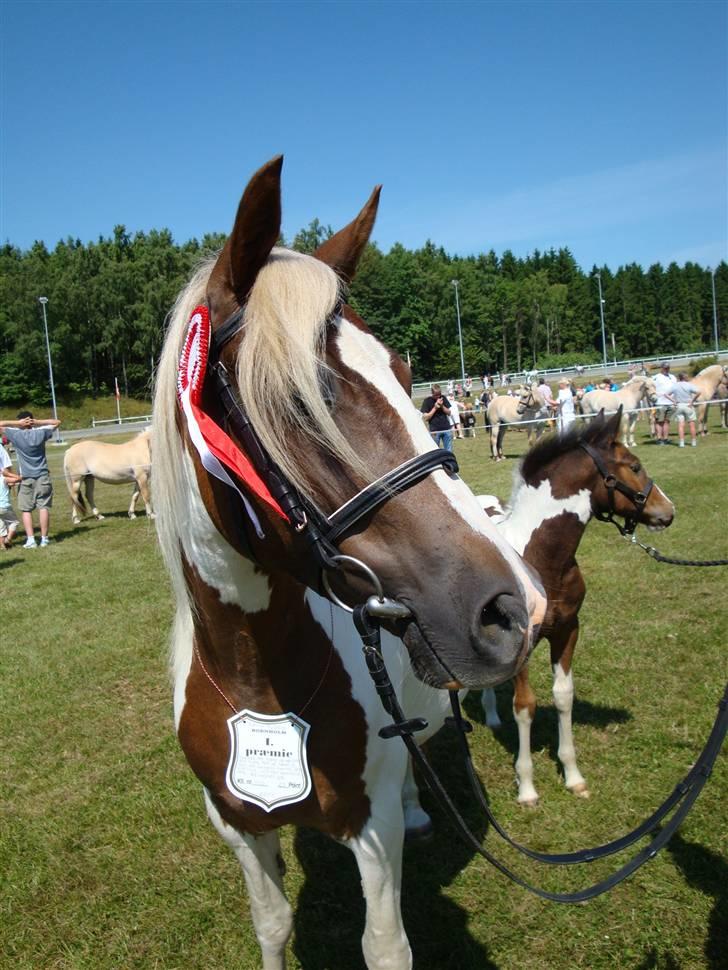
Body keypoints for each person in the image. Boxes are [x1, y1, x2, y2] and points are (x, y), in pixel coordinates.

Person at [0, 411, 62, 547]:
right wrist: (37, 422)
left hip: (25, 477)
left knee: (26, 509)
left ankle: (31, 539)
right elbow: (57, 422)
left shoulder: (16, 434)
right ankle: (44, 539)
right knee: (43, 507)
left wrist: (18, 424)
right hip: (42, 475)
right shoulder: (40, 433)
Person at [667, 372, 701, 447]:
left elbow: (666, 394)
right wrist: (692, 401)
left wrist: (673, 401)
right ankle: (693, 442)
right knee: (691, 424)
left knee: (681, 425)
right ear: (685, 377)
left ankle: (681, 443)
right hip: (688, 405)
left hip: (679, 406)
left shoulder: (675, 385)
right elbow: (699, 392)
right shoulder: (689, 385)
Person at [0, 442, 21, 550]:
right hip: (5, 507)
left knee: (1, 526)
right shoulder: (3, 479)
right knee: (14, 522)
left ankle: (2, 545)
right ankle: (8, 539)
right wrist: (9, 474)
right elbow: (16, 480)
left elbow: (11, 483)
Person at [420, 384, 452, 450]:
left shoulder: (443, 398)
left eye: (439, 394)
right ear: (432, 393)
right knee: (435, 451)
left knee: (449, 451)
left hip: (446, 429)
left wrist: (442, 406)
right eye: (436, 395)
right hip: (434, 431)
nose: (438, 397)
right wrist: (435, 408)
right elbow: (426, 418)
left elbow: (449, 413)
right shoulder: (427, 401)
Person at [653, 362, 677, 445]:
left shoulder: (673, 377)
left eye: (668, 368)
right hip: (660, 403)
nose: (667, 369)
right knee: (659, 421)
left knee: (667, 421)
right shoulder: (656, 377)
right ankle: (659, 439)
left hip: (671, 403)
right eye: (665, 368)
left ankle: (666, 438)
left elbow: (675, 389)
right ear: (661, 368)